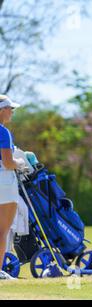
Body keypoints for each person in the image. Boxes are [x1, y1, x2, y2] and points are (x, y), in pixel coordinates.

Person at [0, 95, 26, 280]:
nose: (12, 112)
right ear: (2, 110)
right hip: (4, 182)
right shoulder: (3, 133)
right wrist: (20, 163)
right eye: (10, 109)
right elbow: (8, 163)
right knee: (3, 230)